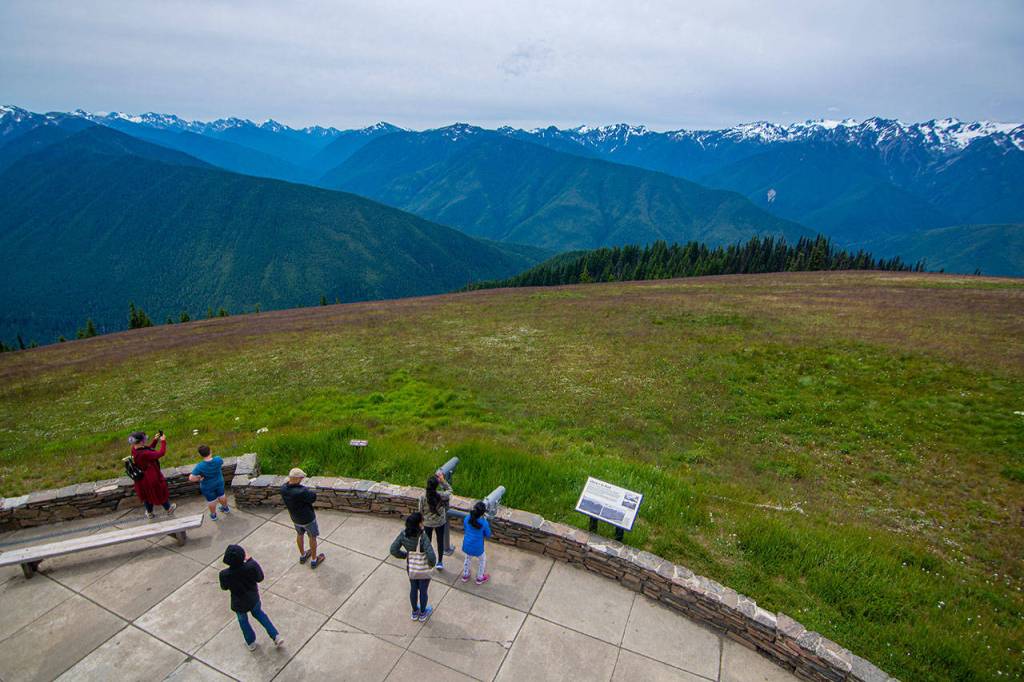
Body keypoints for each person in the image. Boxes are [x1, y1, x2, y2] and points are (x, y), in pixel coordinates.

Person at [219, 544, 284, 651]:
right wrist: (251, 560)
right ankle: (275, 636)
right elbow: (260, 577)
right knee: (261, 615)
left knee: (243, 621)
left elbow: (224, 587)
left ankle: (250, 642)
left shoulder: (224, 574)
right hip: (253, 599)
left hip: (238, 602)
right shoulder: (251, 566)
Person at [390, 512, 437, 622]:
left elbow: (393, 550)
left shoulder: (403, 534)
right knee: (423, 591)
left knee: (414, 588)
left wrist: (406, 555)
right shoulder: (423, 537)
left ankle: (415, 611)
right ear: (419, 524)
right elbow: (432, 557)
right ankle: (423, 613)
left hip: (411, 566)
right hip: (423, 568)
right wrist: (430, 565)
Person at [280, 468, 325, 568]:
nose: (301, 480)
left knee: (300, 534)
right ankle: (314, 560)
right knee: (312, 538)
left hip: (295, 519)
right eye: (301, 478)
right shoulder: (302, 491)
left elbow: (288, 484)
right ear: (297, 479)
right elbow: (313, 498)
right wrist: (303, 487)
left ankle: (303, 555)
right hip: (308, 519)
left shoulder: (283, 489)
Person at [128, 430, 176, 519]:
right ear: (141, 441)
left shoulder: (134, 449)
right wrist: (163, 441)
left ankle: (149, 513)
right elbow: (160, 453)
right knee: (159, 492)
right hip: (150, 477)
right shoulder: (144, 454)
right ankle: (168, 509)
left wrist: (155, 440)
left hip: (141, 478)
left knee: (147, 495)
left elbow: (148, 449)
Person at [417, 470, 451, 570]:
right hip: (440, 522)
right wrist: (443, 481)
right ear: (436, 486)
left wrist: (421, 522)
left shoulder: (423, 496)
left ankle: (424, 559)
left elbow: (420, 510)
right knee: (440, 541)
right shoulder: (441, 495)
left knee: (426, 541)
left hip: (427, 523)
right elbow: (450, 491)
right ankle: (439, 562)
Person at [188, 445, 230, 520]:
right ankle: (225, 508)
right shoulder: (218, 459)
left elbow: (191, 478)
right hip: (219, 482)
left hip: (207, 486)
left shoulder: (200, 466)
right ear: (210, 451)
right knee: (221, 495)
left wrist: (199, 478)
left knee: (212, 500)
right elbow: (221, 463)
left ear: (200, 455)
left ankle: (213, 515)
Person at [459, 501, 492, 585]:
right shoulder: (484, 523)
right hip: (478, 547)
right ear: (483, 513)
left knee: (467, 558)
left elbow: (466, 528)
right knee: (482, 560)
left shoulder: (467, 518)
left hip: (467, 544)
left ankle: (465, 575)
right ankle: (479, 577)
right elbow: (488, 535)